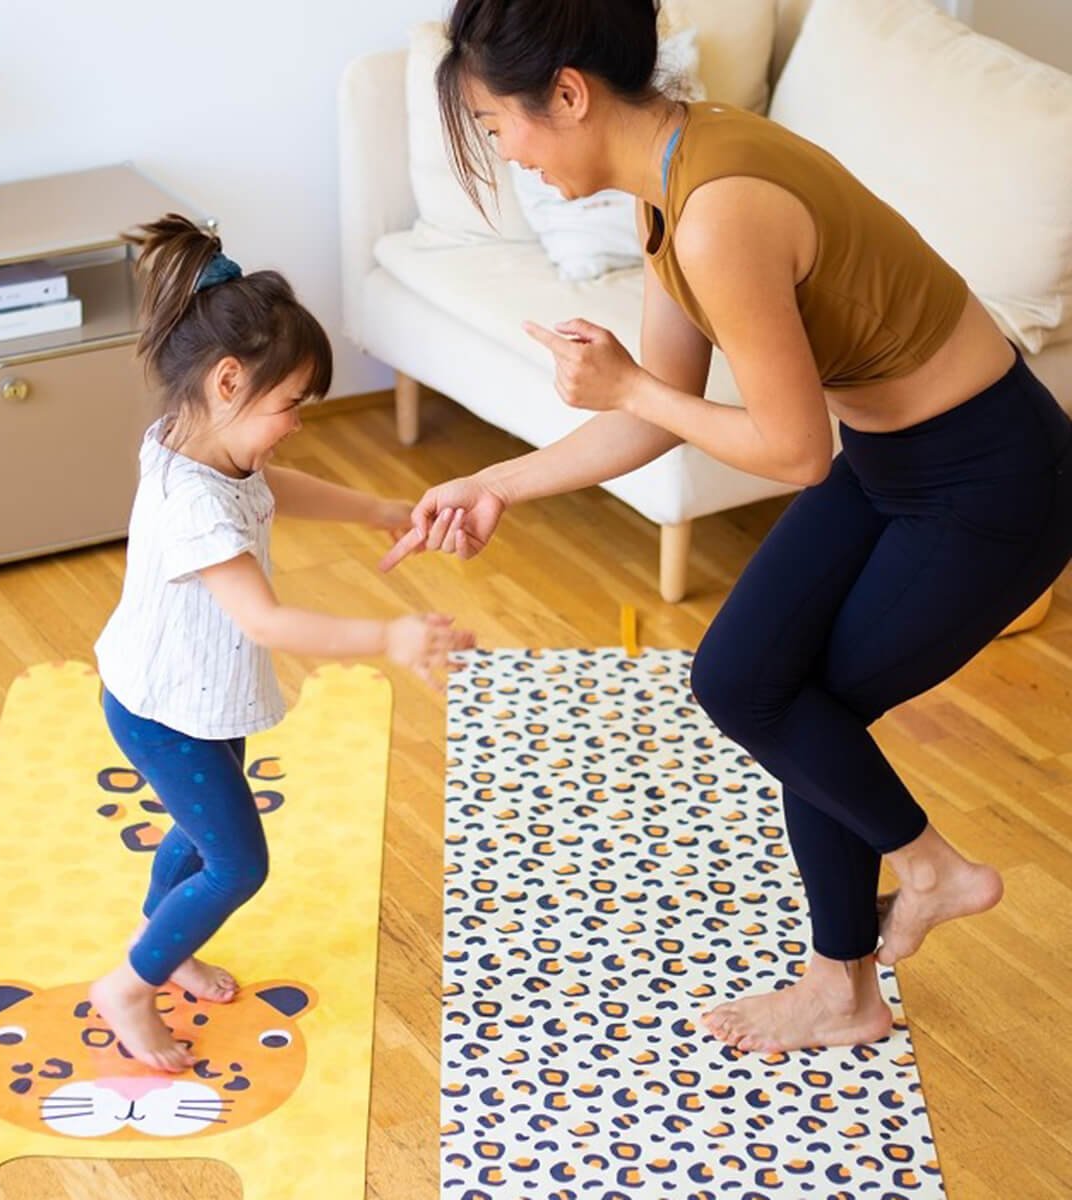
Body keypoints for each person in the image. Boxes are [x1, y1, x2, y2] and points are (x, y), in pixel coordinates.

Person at [380, 0, 1072, 1053]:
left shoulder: (718, 211)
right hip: (893, 463)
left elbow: (791, 452)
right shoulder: (671, 185)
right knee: (748, 678)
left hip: (994, 481)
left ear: (567, 95)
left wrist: (625, 388)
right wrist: (499, 483)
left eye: (497, 124)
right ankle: (859, 970)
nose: (507, 152)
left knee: (791, 696)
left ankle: (913, 898)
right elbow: (657, 411)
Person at [91, 214, 474, 1071]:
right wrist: (390, 634)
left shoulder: (198, 443)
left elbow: (274, 483)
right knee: (236, 862)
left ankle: (165, 946)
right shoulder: (193, 504)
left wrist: (377, 508)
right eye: (289, 404)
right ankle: (128, 984)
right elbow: (265, 621)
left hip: (194, 694)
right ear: (228, 380)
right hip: (161, 708)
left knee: (196, 835)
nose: (297, 422)